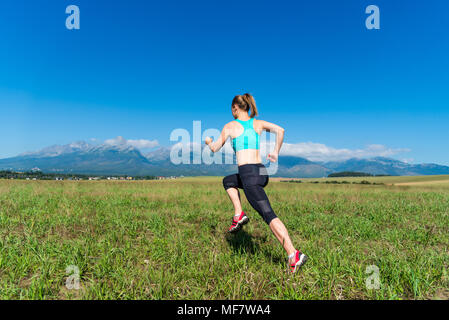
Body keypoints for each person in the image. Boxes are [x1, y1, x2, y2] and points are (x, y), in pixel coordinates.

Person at [205, 93, 308, 273]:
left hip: (248, 175)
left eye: (231, 109)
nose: (231, 112)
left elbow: (214, 148)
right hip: (260, 172)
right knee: (228, 181)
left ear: (235, 108)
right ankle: (239, 214)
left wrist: (209, 142)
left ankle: (293, 254)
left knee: (268, 215)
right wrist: (275, 152)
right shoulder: (257, 123)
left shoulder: (230, 126)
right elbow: (281, 130)